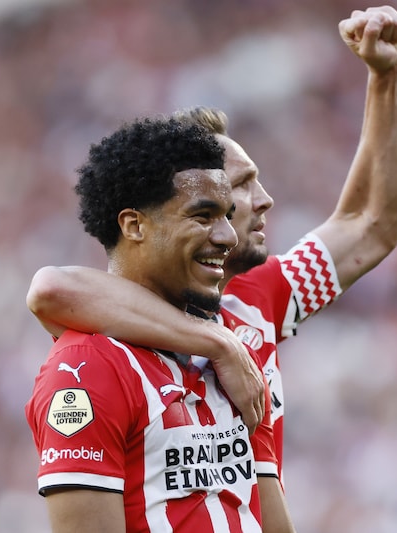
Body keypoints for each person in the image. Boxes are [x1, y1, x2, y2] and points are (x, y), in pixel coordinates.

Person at [27, 4, 397, 486]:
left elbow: (371, 225)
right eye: (240, 186)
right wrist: (219, 344)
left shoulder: (258, 296)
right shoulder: (103, 345)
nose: (264, 200)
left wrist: (388, 76)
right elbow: (51, 290)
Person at [25, 116, 293, 532]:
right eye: (203, 216)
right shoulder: (86, 368)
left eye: (226, 216)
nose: (227, 237)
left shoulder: (233, 357)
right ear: (134, 226)